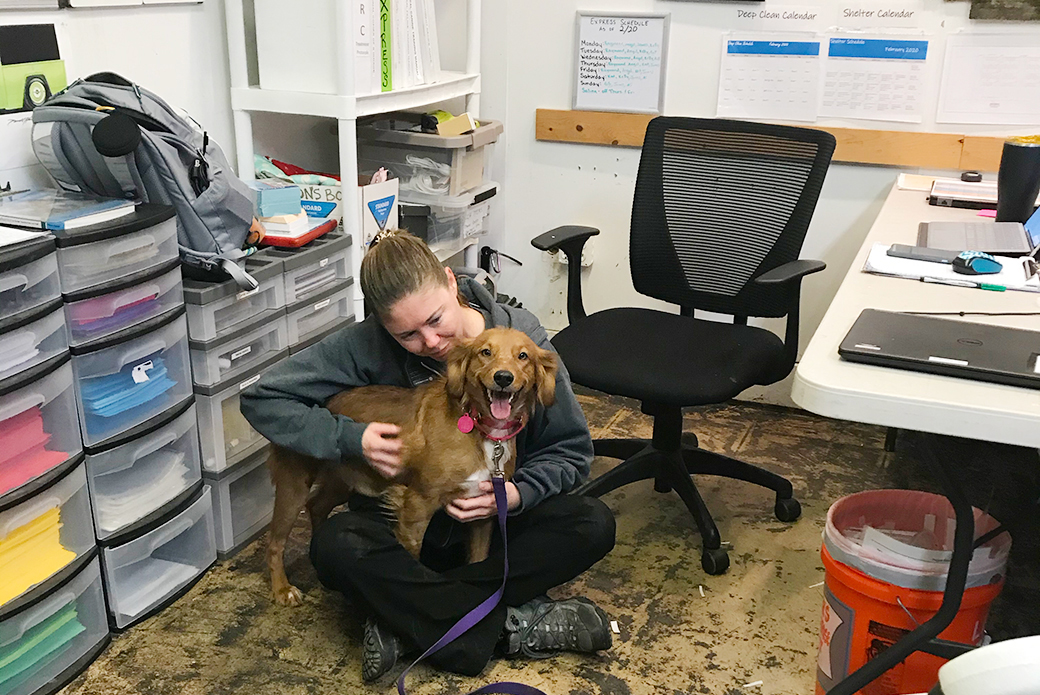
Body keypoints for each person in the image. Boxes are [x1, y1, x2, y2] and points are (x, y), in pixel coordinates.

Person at [240, 229, 616, 682]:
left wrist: (518, 495)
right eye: (407, 335)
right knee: (334, 544)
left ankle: (413, 617)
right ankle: (511, 626)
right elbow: (261, 398)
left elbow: (572, 452)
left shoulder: (525, 339)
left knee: (592, 523)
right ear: (381, 324)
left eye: (436, 319)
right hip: (398, 521)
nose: (432, 341)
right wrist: (348, 439)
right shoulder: (363, 344)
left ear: (450, 281)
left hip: (493, 524)